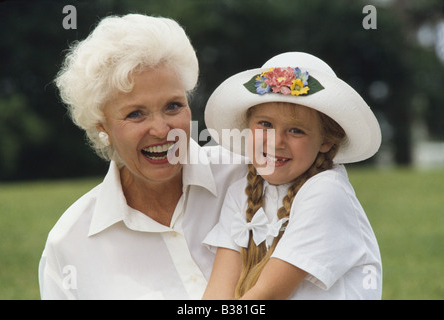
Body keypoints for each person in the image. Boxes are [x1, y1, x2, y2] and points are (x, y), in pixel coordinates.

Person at [38, 14, 247, 299]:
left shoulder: (248, 173)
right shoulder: (69, 244)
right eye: (135, 114)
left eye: (173, 106)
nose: (162, 130)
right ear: (103, 128)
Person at [202, 52, 383, 300]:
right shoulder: (241, 193)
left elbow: (268, 295)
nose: (276, 142)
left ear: (327, 141)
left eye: (296, 131)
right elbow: (218, 292)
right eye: (265, 124)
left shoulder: (327, 192)